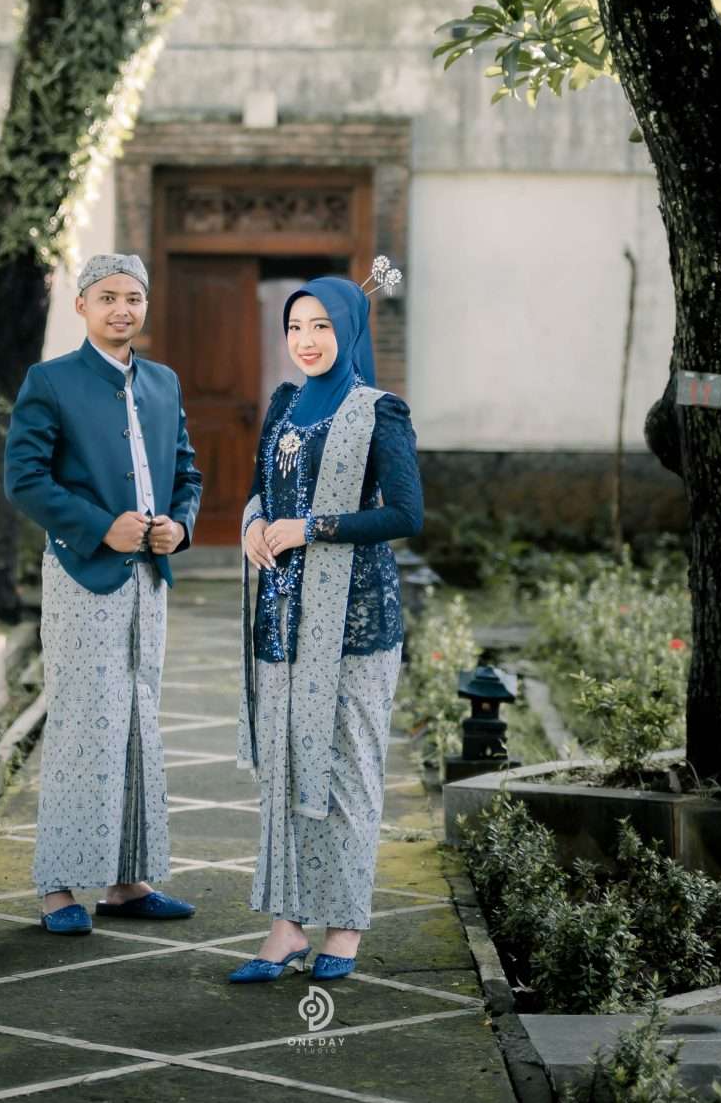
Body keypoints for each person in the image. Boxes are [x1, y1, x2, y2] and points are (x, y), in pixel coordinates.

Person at [229, 268, 422, 984]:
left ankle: (343, 926)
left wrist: (311, 527)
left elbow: (405, 513)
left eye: (321, 326)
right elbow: (263, 489)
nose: (306, 340)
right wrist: (253, 523)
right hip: (283, 614)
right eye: (295, 327)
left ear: (349, 329)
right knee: (284, 767)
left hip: (354, 621)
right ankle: (286, 926)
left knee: (346, 767)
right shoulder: (284, 404)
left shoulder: (381, 411)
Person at [2, 252, 202, 934]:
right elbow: (24, 478)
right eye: (108, 296)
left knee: (140, 720)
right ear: (82, 305)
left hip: (150, 580)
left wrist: (180, 524)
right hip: (83, 575)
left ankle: (127, 883)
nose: (123, 309)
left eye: (134, 297)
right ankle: (57, 888)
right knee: (83, 723)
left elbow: (187, 473)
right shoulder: (50, 380)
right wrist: (98, 526)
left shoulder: (165, 382)